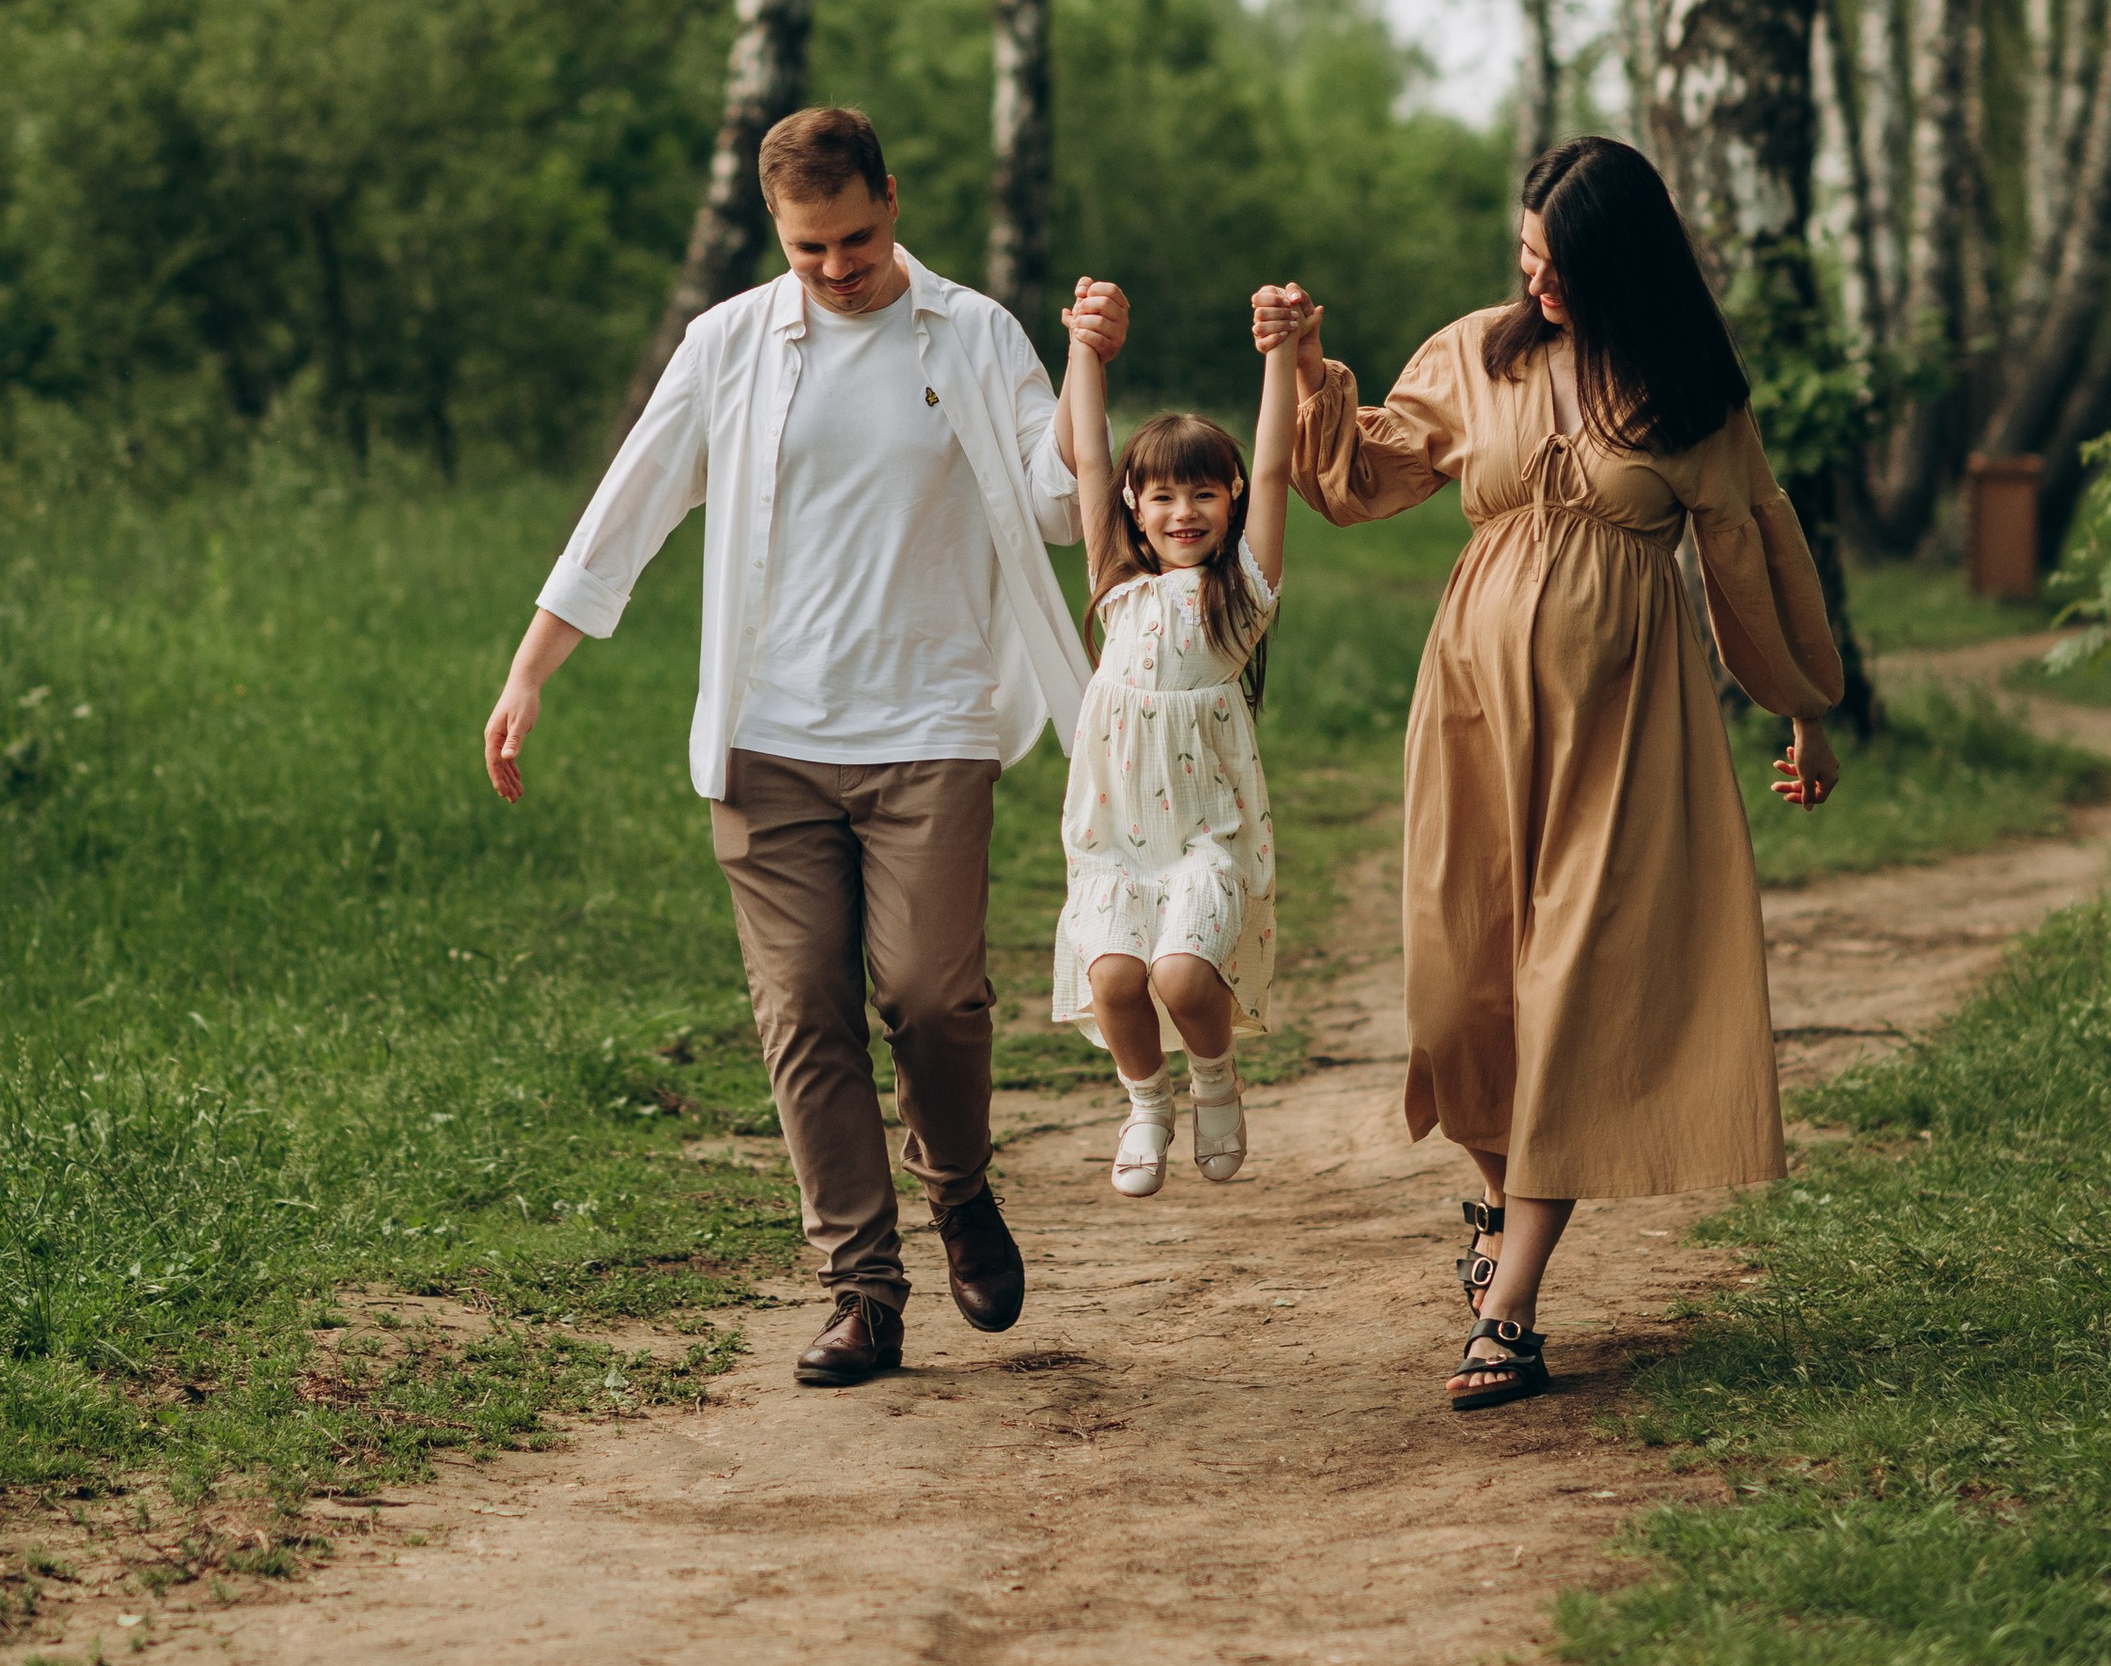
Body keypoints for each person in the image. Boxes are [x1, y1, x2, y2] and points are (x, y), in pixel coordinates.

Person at [483, 105, 1127, 1390]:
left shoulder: (974, 332)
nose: (835, 266)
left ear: (892, 200)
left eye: (855, 238)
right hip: (767, 733)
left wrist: (1087, 365)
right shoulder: (728, 342)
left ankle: (958, 1186)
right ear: (777, 231)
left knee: (931, 996)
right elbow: (628, 504)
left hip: (931, 723)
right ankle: (861, 1290)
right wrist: (529, 668)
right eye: (807, 246)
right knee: (802, 1012)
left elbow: (1062, 507)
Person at [1254, 134, 1844, 1418]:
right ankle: (1496, 1192)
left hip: (1623, 731)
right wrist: (1304, 363)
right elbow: (1358, 477)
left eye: (1558, 264)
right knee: (1456, 996)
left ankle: (1509, 1305)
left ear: (1620, 265)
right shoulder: (1479, 351)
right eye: (1525, 257)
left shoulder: (1690, 393)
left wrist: (1803, 708)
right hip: (1472, 711)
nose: (1536, 282)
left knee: (1573, 994)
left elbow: (1751, 555)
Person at [1051, 302, 1296, 1196]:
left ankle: (1215, 1082)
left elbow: (1273, 464)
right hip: (1114, 838)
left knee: (1186, 977)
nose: (1183, 512)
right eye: (1161, 495)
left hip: (1205, 836)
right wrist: (1084, 350)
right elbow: (1088, 456)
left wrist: (1279, 353)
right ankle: (1147, 1105)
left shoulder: (1242, 596)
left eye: (1203, 493)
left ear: (1230, 501)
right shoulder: (1116, 586)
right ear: (1134, 505)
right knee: (1116, 978)